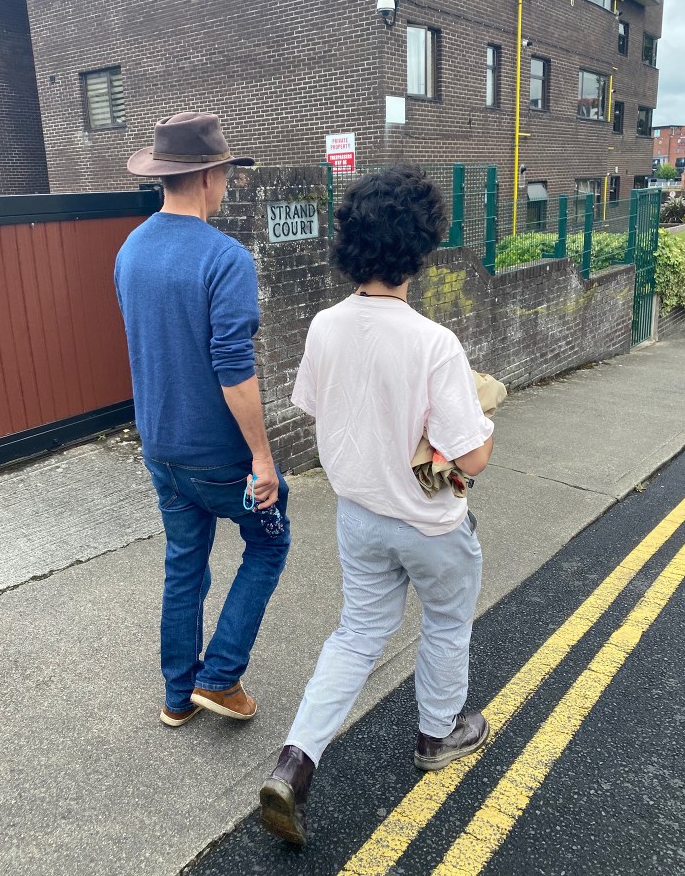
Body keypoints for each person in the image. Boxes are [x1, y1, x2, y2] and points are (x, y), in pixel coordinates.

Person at [259, 165, 494, 845]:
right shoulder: (432, 343)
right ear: (421, 246)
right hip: (428, 522)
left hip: (357, 516)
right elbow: (469, 458)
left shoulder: (325, 327)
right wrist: (486, 419)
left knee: (356, 635)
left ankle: (294, 763)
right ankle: (437, 733)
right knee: (446, 624)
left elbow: (314, 407)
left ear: (349, 243)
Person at [114, 112, 291, 728]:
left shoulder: (130, 250)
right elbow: (233, 369)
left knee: (185, 561)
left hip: (159, 446)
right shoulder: (225, 258)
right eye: (225, 174)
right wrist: (262, 459)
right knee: (270, 544)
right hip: (219, 455)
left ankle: (176, 695)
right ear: (211, 175)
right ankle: (219, 677)